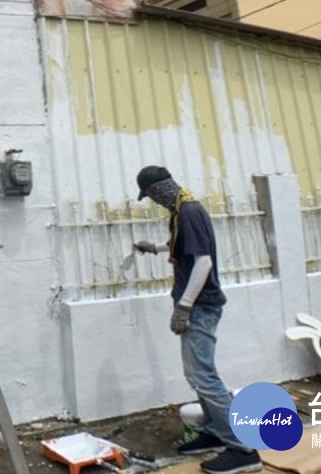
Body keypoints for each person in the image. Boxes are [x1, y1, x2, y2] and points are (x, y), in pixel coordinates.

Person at [133, 166, 262, 474]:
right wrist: (156, 248)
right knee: (196, 375)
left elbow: (203, 262)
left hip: (200, 306)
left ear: (160, 189)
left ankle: (243, 448)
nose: (151, 201)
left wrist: (185, 307)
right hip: (196, 304)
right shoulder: (181, 211)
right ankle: (216, 433)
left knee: (204, 375)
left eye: (150, 195)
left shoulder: (188, 212)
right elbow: (186, 248)